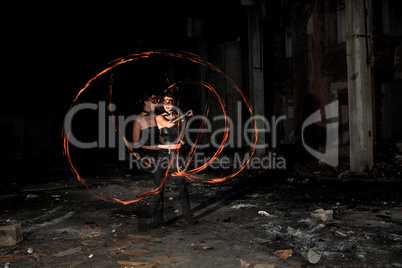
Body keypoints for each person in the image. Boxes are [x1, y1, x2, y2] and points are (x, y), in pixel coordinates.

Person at [152, 93, 195, 227]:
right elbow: (169, 125)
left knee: (182, 186)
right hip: (163, 155)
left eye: (170, 101)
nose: (168, 103)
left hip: (177, 154)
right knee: (158, 187)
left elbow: (182, 133)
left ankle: (188, 217)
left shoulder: (179, 118)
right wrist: (184, 116)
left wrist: (186, 122)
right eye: (165, 101)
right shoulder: (159, 117)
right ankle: (158, 221)